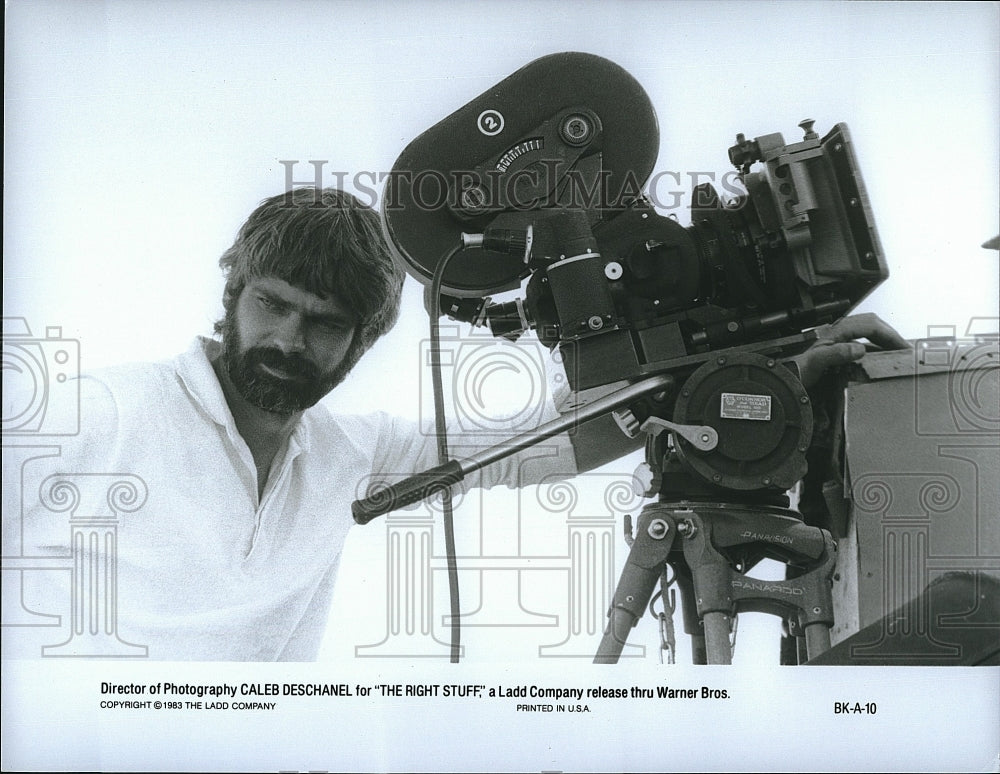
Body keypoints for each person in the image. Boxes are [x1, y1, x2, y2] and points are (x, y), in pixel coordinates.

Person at [7, 187, 908, 661]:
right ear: (233, 295)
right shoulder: (97, 409)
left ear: (364, 340)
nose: (287, 341)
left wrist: (773, 369)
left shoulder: (348, 454)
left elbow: (550, 445)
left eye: (323, 324)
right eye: (273, 306)